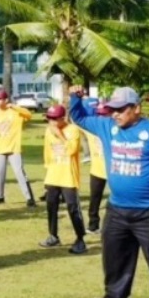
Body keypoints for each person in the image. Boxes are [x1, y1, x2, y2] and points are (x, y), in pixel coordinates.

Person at [69, 85, 149, 298]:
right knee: (114, 257)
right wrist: (74, 98)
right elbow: (78, 117)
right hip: (117, 209)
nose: (115, 114)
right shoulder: (107, 127)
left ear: (136, 108)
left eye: (121, 109)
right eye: (113, 109)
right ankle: (116, 297)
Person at [39, 105, 88, 254]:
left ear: (63, 118)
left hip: (68, 176)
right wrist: (48, 169)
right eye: (49, 118)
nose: (51, 121)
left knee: (73, 208)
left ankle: (80, 239)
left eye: (54, 119)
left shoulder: (73, 130)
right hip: (53, 175)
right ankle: (53, 235)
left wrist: (59, 134)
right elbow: (47, 151)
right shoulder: (48, 130)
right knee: (51, 206)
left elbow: (72, 150)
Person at [0, 89, 35, 207]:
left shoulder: (15, 112)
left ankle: (29, 198)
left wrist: (14, 106)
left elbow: (29, 115)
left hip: (14, 148)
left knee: (19, 172)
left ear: (6, 100)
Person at [81, 101, 111, 235]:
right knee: (95, 199)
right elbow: (76, 119)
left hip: (113, 170)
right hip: (97, 171)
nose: (101, 117)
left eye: (104, 114)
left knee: (117, 199)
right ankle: (93, 225)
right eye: (99, 114)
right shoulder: (91, 129)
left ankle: (114, 226)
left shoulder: (114, 129)